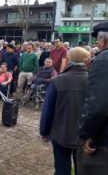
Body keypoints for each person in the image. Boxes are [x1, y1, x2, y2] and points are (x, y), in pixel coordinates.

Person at [40, 47, 90, 175]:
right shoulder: (92, 81)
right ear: (86, 61)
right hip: (84, 136)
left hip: (60, 134)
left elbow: (47, 110)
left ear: (68, 60)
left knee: (62, 169)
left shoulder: (57, 80)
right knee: (82, 169)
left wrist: (44, 131)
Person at [77, 22, 108, 174]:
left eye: (97, 40)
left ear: (103, 40)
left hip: (103, 140)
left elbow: (97, 105)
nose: (97, 43)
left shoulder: (104, 59)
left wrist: (85, 133)